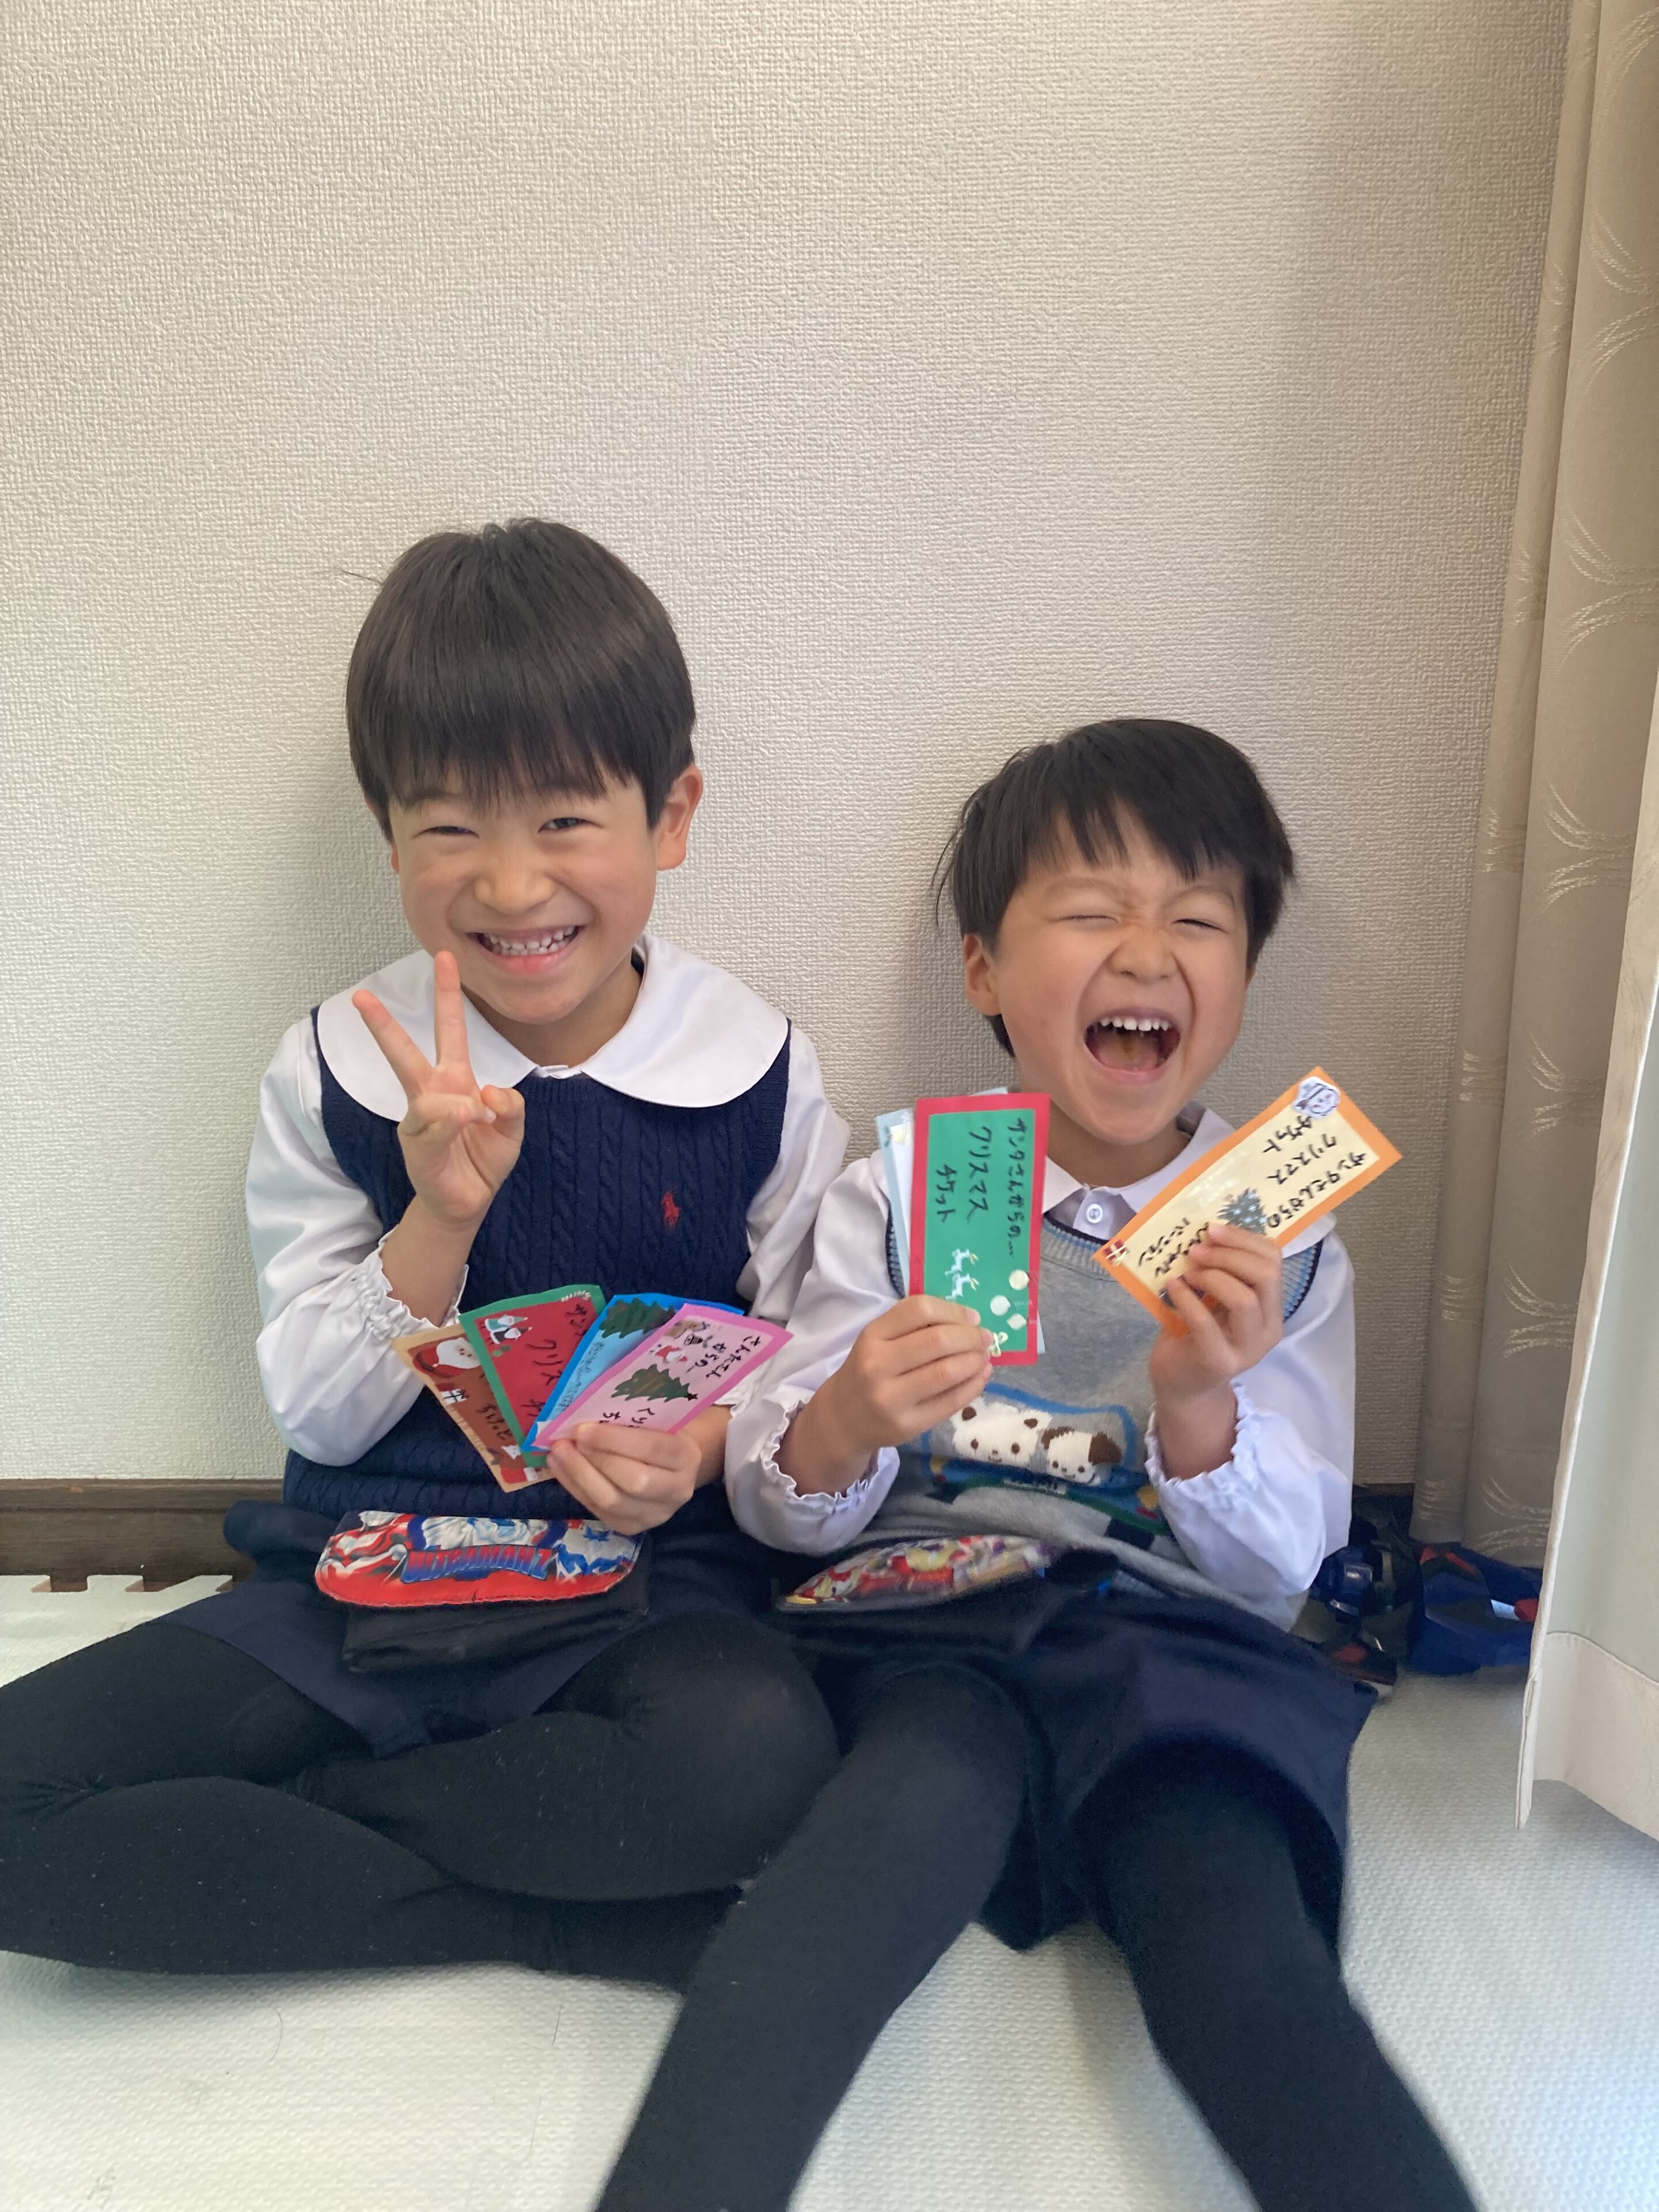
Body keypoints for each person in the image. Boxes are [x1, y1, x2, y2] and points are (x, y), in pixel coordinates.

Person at [596, 721, 1476, 2212]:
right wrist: (844, 1418)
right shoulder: (899, 1193)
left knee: (1245, 1953)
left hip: (1185, 1657)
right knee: (844, 1894)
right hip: (933, 1628)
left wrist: (1198, 1402)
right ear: (984, 972)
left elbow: (1283, 1566)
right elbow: (782, 1506)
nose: (1146, 951)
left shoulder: (1282, 1237)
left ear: (1245, 975)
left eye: (1198, 919)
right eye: (1090, 910)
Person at [0, 518, 845, 1982]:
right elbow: (319, 1417)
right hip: (358, 1582)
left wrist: (701, 1452)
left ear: (673, 814)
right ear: (386, 830)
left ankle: (298, 1833)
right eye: (451, 827)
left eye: (565, 820)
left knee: (761, 1761)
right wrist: (436, 1221)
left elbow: (805, 1381)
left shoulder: (757, 1067)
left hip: (645, 1598)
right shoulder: (334, 1062)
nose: (512, 887)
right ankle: (526, 1911)